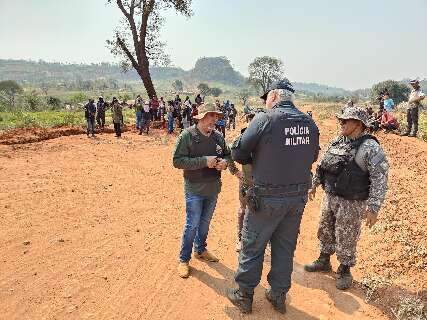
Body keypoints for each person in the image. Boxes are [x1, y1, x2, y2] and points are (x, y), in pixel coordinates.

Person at [227, 79, 320, 314]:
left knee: (252, 245)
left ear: (274, 97)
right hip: (296, 200)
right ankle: (278, 295)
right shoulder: (309, 123)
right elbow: (311, 156)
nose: (266, 101)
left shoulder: (265, 119)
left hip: (266, 199)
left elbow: (238, 152)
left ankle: (244, 294)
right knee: (284, 248)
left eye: (267, 97)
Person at [305, 106, 389, 291]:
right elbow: (322, 165)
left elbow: (380, 178)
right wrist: (313, 185)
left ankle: (344, 269)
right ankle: (324, 259)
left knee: (347, 234)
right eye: (340, 120)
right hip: (330, 196)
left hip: (352, 201)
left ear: (358, 124)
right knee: (325, 228)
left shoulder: (371, 148)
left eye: (345, 120)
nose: (341, 123)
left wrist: (374, 207)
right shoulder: (337, 142)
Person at [173, 103, 232, 278]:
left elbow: (227, 154)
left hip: (212, 188)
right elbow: (177, 161)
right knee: (192, 225)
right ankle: (184, 259)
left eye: (216, 117)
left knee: (205, 223)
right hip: (194, 189)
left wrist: (224, 163)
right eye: (210, 116)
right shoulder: (187, 136)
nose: (214, 120)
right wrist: (203, 161)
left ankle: (200, 250)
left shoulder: (218, 137)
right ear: (200, 118)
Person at [233, 112, 255, 252]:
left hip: (263, 183)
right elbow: (229, 153)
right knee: (243, 210)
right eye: (251, 120)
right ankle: (240, 239)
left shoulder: (268, 139)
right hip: (246, 182)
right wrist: (235, 171)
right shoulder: (242, 138)